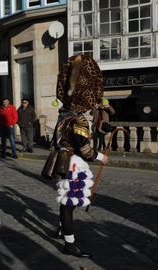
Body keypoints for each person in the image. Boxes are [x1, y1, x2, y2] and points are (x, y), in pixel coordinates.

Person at [44, 54, 109, 258]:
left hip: (63, 162)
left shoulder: (65, 116)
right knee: (68, 204)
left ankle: (63, 229)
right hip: (71, 164)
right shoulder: (78, 119)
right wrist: (100, 157)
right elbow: (83, 148)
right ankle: (69, 244)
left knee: (67, 203)